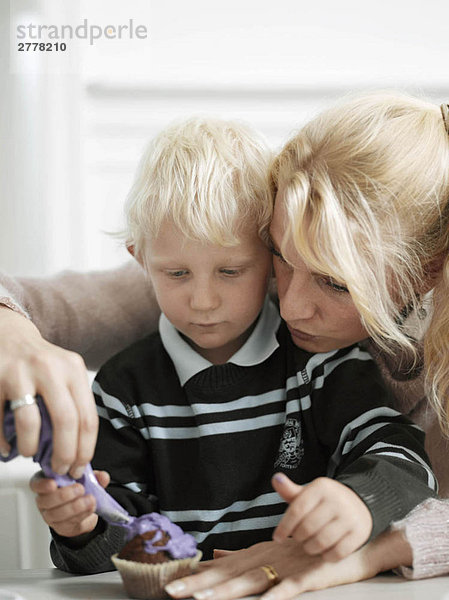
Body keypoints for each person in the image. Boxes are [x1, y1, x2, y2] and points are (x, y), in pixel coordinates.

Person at [0, 92, 448, 597]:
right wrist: (83, 525)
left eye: (336, 282)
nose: (292, 306)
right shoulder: (135, 371)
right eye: (282, 258)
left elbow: (399, 461)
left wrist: (362, 509)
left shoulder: (328, 368)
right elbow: (117, 538)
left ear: (427, 272)